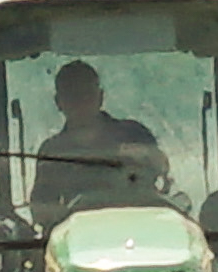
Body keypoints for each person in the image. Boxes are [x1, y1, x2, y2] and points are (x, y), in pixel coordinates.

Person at [28, 59, 173, 216]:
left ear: (100, 97)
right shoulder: (52, 152)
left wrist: (143, 155)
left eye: (87, 94)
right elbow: (41, 210)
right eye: (73, 96)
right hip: (79, 236)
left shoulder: (134, 134)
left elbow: (162, 172)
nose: (81, 102)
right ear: (58, 102)